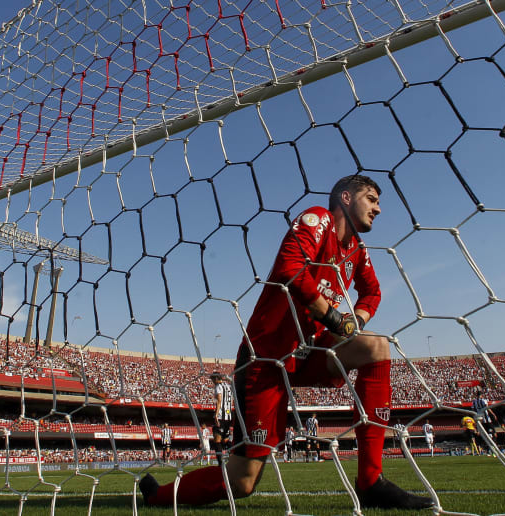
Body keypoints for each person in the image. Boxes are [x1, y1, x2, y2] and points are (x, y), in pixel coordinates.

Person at [140, 175, 433, 510]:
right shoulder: (318, 219)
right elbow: (289, 268)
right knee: (243, 481)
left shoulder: (357, 251)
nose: (378, 209)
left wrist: (355, 322)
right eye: (372, 199)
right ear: (347, 198)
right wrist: (335, 319)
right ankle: (157, 496)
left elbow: (373, 293)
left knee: (376, 347)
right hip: (265, 360)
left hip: (309, 351)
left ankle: (370, 481)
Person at [212, 372, 234, 463]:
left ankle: (221, 464)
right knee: (225, 440)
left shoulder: (218, 386)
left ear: (216, 379)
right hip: (229, 416)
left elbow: (219, 400)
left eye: (213, 379)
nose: (212, 382)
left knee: (217, 440)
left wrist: (216, 414)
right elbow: (232, 400)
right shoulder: (228, 386)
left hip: (221, 416)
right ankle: (234, 458)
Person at [471, 390, 500, 455]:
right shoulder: (483, 400)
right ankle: (493, 450)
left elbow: (473, 411)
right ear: (481, 395)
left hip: (480, 421)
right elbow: (487, 408)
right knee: (493, 435)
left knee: (484, 436)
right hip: (487, 420)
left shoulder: (474, 402)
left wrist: (475, 420)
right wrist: (493, 414)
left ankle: (488, 450)